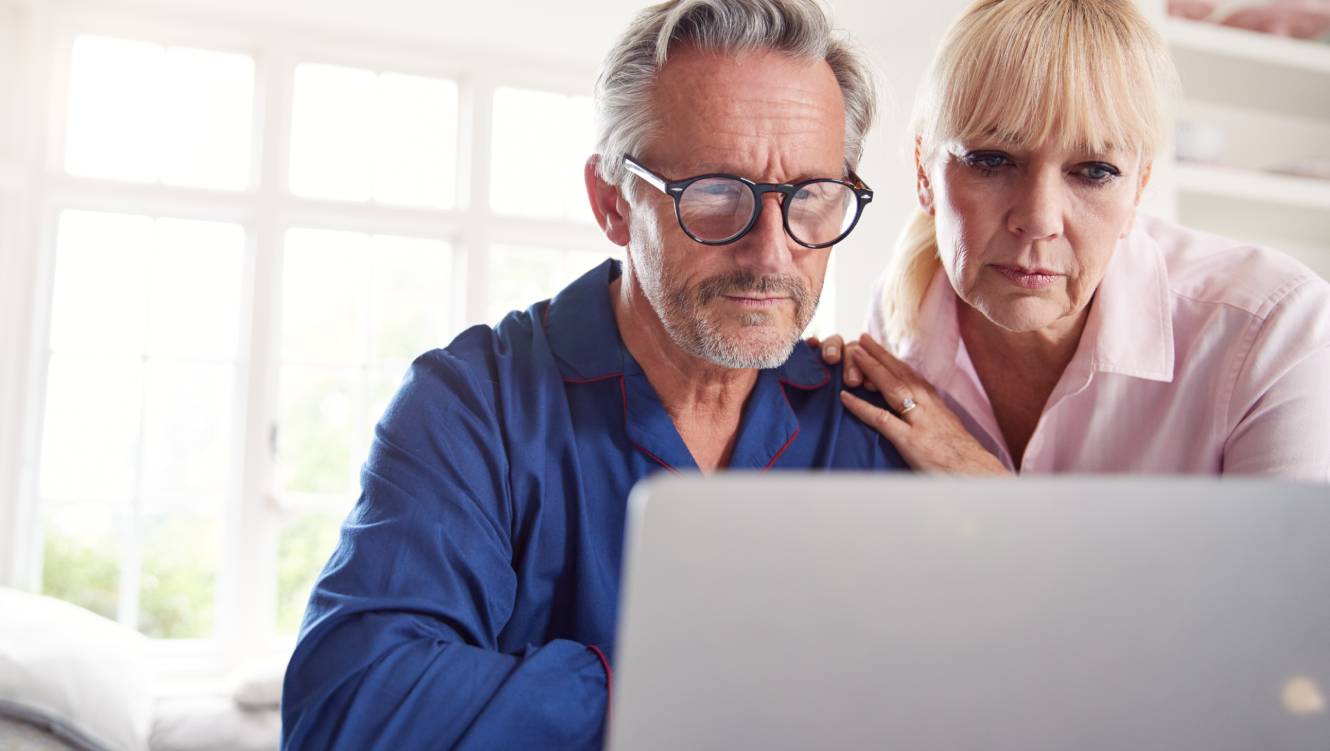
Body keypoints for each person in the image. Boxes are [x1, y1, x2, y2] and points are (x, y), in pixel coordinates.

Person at [280, 1, 906, 748]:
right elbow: (352, 715)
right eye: (715, 194)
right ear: (613, 201)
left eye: (809, 196)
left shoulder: (869, 423)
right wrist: (683, 678)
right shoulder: (472, 405)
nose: (772, 254)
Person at [816, 0, 1330, 479]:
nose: (1039, 220)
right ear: (925, 175)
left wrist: (985, 487)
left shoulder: (1275, 330)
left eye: (1094, 171)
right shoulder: (902, 310)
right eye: (991, 161)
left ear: (1138, 191)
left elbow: (1275, 577)